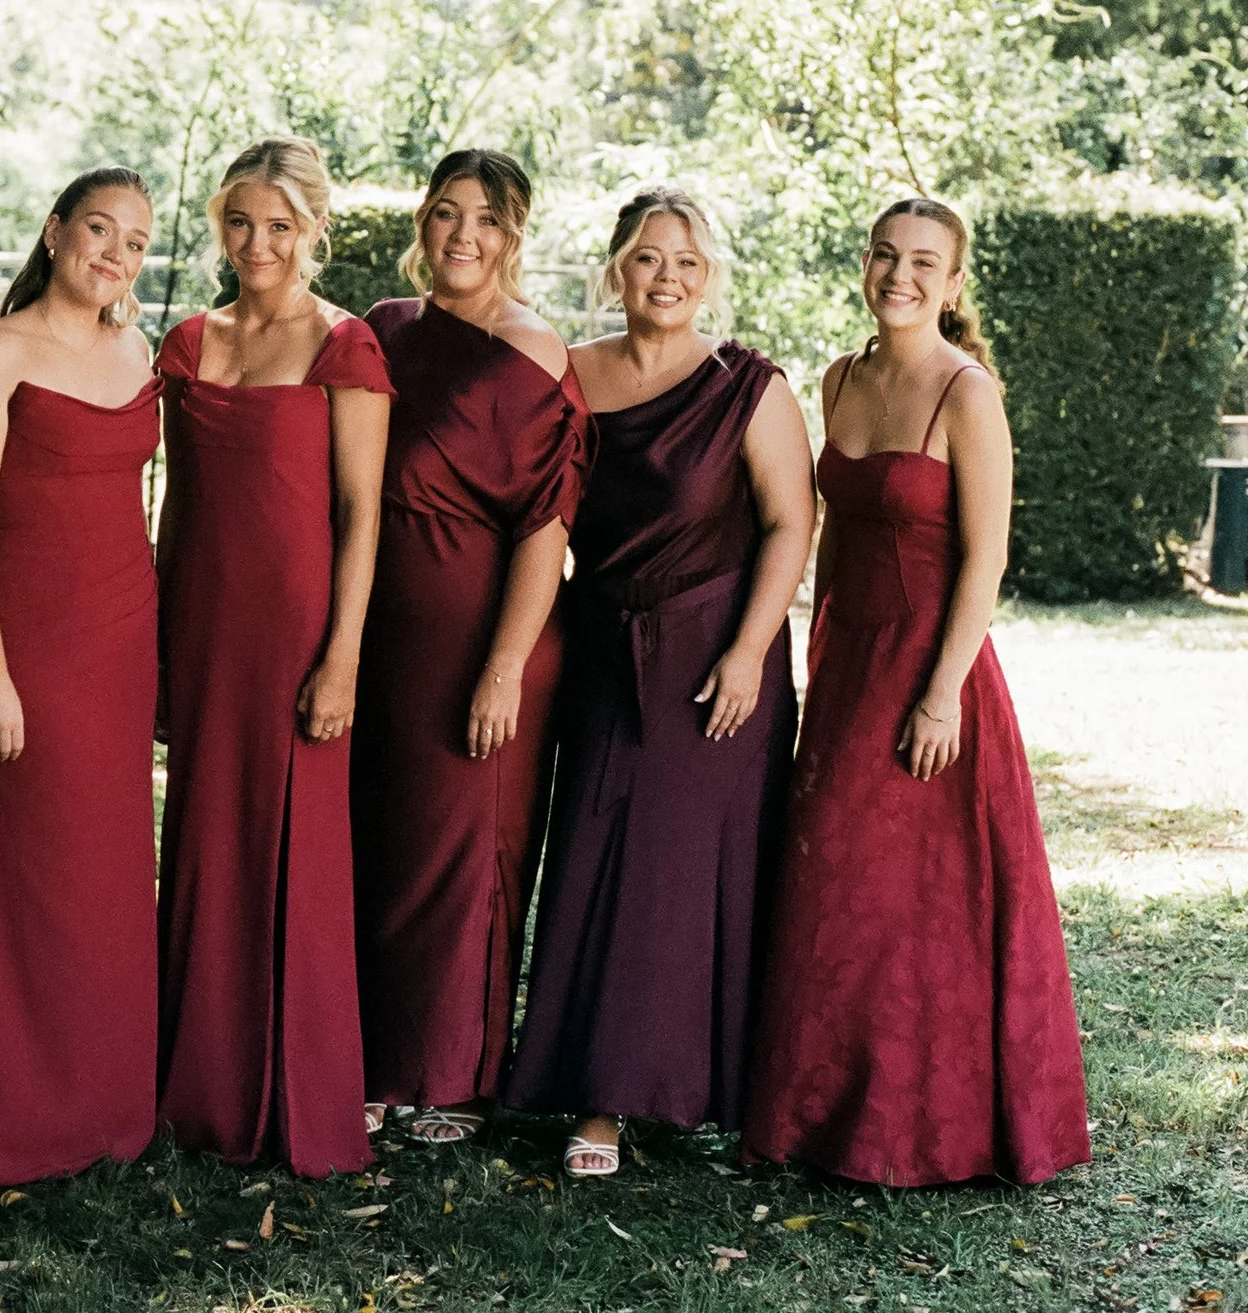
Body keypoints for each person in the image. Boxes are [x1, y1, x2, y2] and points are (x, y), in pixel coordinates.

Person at [742, 198, 1090, 1187]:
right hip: (846, 656)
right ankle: (821, 1114)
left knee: (919, 897)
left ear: (951, 281)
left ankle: (921, 1126)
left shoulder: (965, 393)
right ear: (866, 262)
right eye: (885, 255)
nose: (900, 275)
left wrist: (940, 694)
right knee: (839, 886)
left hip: (931, 669)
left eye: (922, 262)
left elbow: (986, 557)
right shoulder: (841, 377)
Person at [503, 186, 814, 1179]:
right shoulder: (572, 375)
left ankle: (674, 1093)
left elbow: (789, 525)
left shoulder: (749, 386)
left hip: (718, 655)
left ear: (708, 274)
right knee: (594, 862)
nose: (665, 276)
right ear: (615, 269)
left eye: (684, 259)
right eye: (646, 257)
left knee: (684, 878)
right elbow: (543, 515)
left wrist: (747, 650)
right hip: (601, 644)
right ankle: (594, 1089)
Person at [155, 138, 391, 1176]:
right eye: (241, 223)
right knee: (203, 837)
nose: (257, 243)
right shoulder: (185, 342)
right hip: (202, 624)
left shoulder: (345, 347)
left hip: (298, 629)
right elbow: (173, 506)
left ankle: (289, 1095)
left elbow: (360, 510)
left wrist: (341, 656)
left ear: (312, 230)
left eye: (280, 226)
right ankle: (193, 1086)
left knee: (291, 846)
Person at [351, 149, 587, 1145]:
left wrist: (501, 666)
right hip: (382, 630)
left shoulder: (536, 354)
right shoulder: (383, 330)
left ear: (514, 234)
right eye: (445, 213)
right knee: (385, 849)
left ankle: (451, 1076)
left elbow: (546, 523)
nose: (461, 235)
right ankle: (372, 1054)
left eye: (485, 219)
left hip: (490, 639)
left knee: (467, 853)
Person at [0, 166, 162, 1183]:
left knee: (110, 877)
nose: (115, 253)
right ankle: (14, 1111)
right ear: (55, 229)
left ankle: (108, 1104)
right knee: (35, 876)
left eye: (137, 241)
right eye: (99, 229)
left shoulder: (138, 347)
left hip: (124, 640)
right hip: (30, 646)